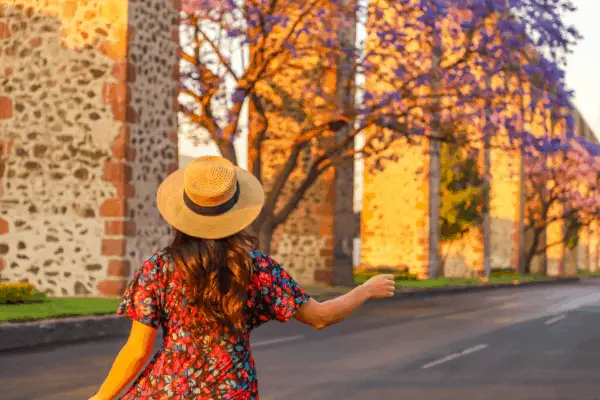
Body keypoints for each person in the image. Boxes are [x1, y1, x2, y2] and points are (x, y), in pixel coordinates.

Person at [90, 155, 395, 400]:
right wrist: (364, 291)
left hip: (169, 389)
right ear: (235, 210)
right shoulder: (257, 268)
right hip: (233, 388)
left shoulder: (158, 269)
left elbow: (138, 349)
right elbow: (319, 317)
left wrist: (102, 396)